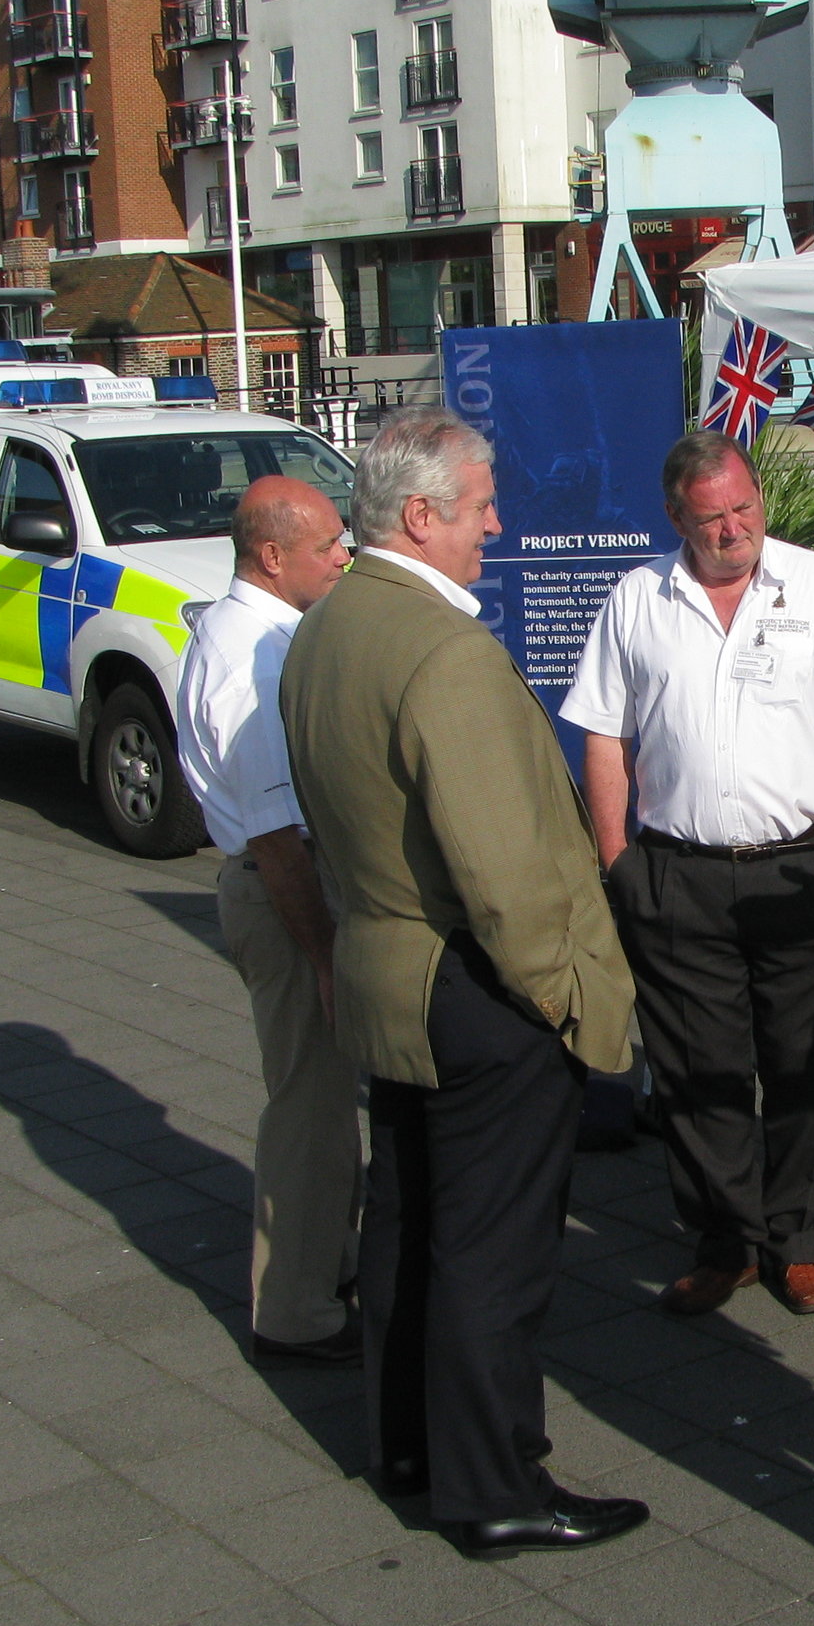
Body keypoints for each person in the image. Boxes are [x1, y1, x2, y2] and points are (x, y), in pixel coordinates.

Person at [279, 408, 646, 1559]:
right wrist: (565, 999)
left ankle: (406, 1446)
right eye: (483, 504)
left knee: (408, 1220)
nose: (499, 523)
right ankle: (493, 1485)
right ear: (423, 515)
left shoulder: (326, 626)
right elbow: (503, 876)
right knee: (490, 1248)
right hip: (473, 988)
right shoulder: (447, 652)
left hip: (386, 972)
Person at [563, 429, 814, 1319]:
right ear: (676, 516)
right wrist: (618, 862)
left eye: (744, 509)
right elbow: (605, 733)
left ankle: (799, 1241)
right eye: (711, 517)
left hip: (806, 871)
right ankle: (725, 1239)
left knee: (808, 1064)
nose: (733, 530)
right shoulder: (637, 598)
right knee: (693, 1070)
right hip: (679, 874)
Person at [174, 476, 363, 1367]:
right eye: (328, 543)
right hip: (284, 888)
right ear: (272, 555)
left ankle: (329, 1261)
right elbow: (277, 833)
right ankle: (297, 1309)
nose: (343, 555)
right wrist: (323, 953)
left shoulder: (258, 630)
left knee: (319, 1099)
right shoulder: (252, 653)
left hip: (278, 877)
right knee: (311, 1108)